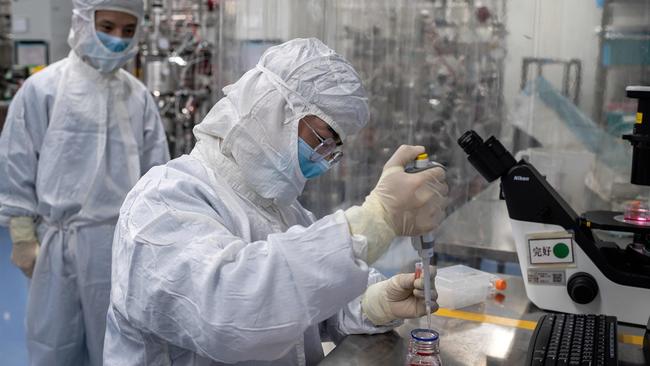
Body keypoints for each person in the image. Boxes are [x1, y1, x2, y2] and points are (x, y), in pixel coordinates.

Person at [103, 38, 447, 366]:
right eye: (321, 140)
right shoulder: (163, 200)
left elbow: (307, 302)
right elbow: (231, 311)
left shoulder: (281, 209)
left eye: (334, 149)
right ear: (270, 107)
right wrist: (376, 220)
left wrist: (374, 303)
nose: (325, 159)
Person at [0, 0, 170, 365]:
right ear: (82, 20)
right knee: (54, 346)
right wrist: (21, 234)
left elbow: (158, 176)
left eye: (128, 31)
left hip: (122, 248)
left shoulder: (137, 96)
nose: (117, 40)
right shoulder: (42, 89)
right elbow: (16, 164)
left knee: (120, 347)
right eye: (106, 26)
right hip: (57, 246)